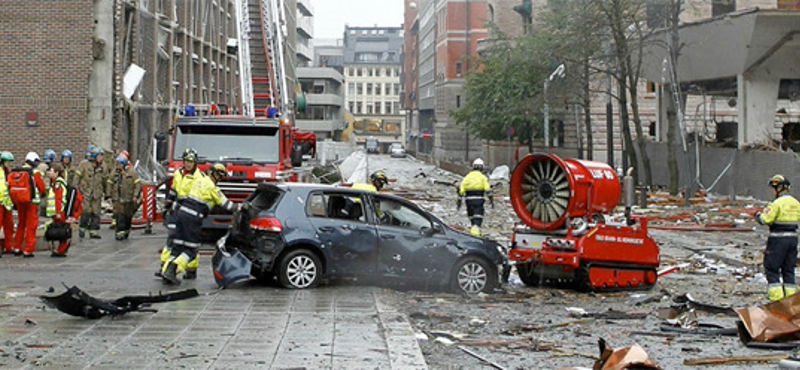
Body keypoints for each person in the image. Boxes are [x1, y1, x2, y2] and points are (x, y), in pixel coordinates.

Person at [161, 163, 237, 285]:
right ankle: (172, 270)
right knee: (191, 249)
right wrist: (242, 207)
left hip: (181, 215)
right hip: (193, 219)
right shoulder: (213, 188)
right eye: (219, 176)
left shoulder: (199, 181)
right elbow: (227, 205)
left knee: (177, 247)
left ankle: (165, 272)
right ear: (214, 175)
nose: (219, 179)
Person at [158, 148, 205, 279]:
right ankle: (166, 266)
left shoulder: (199, 178)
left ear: (195, 163)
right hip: (177, 210)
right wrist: (167, 206)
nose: (188, 164)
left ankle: (191, 269)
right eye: (186, 161)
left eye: (190, 161)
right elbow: (173, 191)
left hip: (191, 211)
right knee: (173, 238)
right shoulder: (178, 173)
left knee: (190, 242)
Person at [756, 174, 800, 302]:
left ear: (778, 188)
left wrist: (758, 215)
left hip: (777, 241)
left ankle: (777, 301)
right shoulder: (796, 203)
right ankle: (791, 301)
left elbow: (766, 219)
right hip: (792, 240)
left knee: (772, 269)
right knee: (789, 270)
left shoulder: (776, 204)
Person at [11, 152, 46, 257]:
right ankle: (28, 249)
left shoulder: (18, 172)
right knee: (31, 226)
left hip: (20, 202)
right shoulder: (35, 173)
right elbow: (42, 188)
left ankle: (17, 247)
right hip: (32, 203)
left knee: (21, 224)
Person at [74, 147, 107, 239]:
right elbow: (77, 177)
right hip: (85, 192)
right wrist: (75, 189)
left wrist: (107, 194)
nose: (101, 158)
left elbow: (105, 180)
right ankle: (82, 229)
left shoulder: (103, 166)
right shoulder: (84, 164)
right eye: (100, 156)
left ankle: (94, 231)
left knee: (96, 212)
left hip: (97, 193)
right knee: (86, 211)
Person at [109, 154, 141, 240]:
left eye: (119, 164)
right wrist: (108, 196)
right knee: (120, 216)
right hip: (118, 199)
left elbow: (137, 185)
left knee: (128, 216)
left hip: (128, 199)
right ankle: (119, 232)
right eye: (117, 164)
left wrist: (135, 196)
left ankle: (126, 230)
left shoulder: (132, 173)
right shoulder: (114, 173)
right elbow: (109, 184)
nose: (117, 166)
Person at [45, 163, 73, 257]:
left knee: (61, 231)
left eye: (51, 171)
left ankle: (61, 250)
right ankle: (60, 249)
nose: (49, 172)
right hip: (57, 212)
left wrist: (58, 212)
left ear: (56, 173)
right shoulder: (55, 183)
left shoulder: (58, 184)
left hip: (59, 212)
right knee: (60, 230)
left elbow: (58, 198)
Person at [458, 158, 491, 237]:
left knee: (472, 218)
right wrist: (491, 200)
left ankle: (475, 232)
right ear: (482, 168)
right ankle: (476, 235)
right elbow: (488, 189)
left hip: (468, 201)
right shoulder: (483, 177)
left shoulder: (467, 177)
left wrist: (459, 202)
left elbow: (461, 190)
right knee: (477, 219)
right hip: (478, 201)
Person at [0, 152, 13, 256]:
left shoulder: (7, 172)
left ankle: (9, 246)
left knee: (9, 225)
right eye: (7, 162)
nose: (9, 164)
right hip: (0, 202)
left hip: (6, 203)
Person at [38, 149, 56, 216]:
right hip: (44, 189)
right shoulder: (43, 166)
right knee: (43, 205)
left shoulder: (45, 166)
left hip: (46, 188)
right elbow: (41, 177)